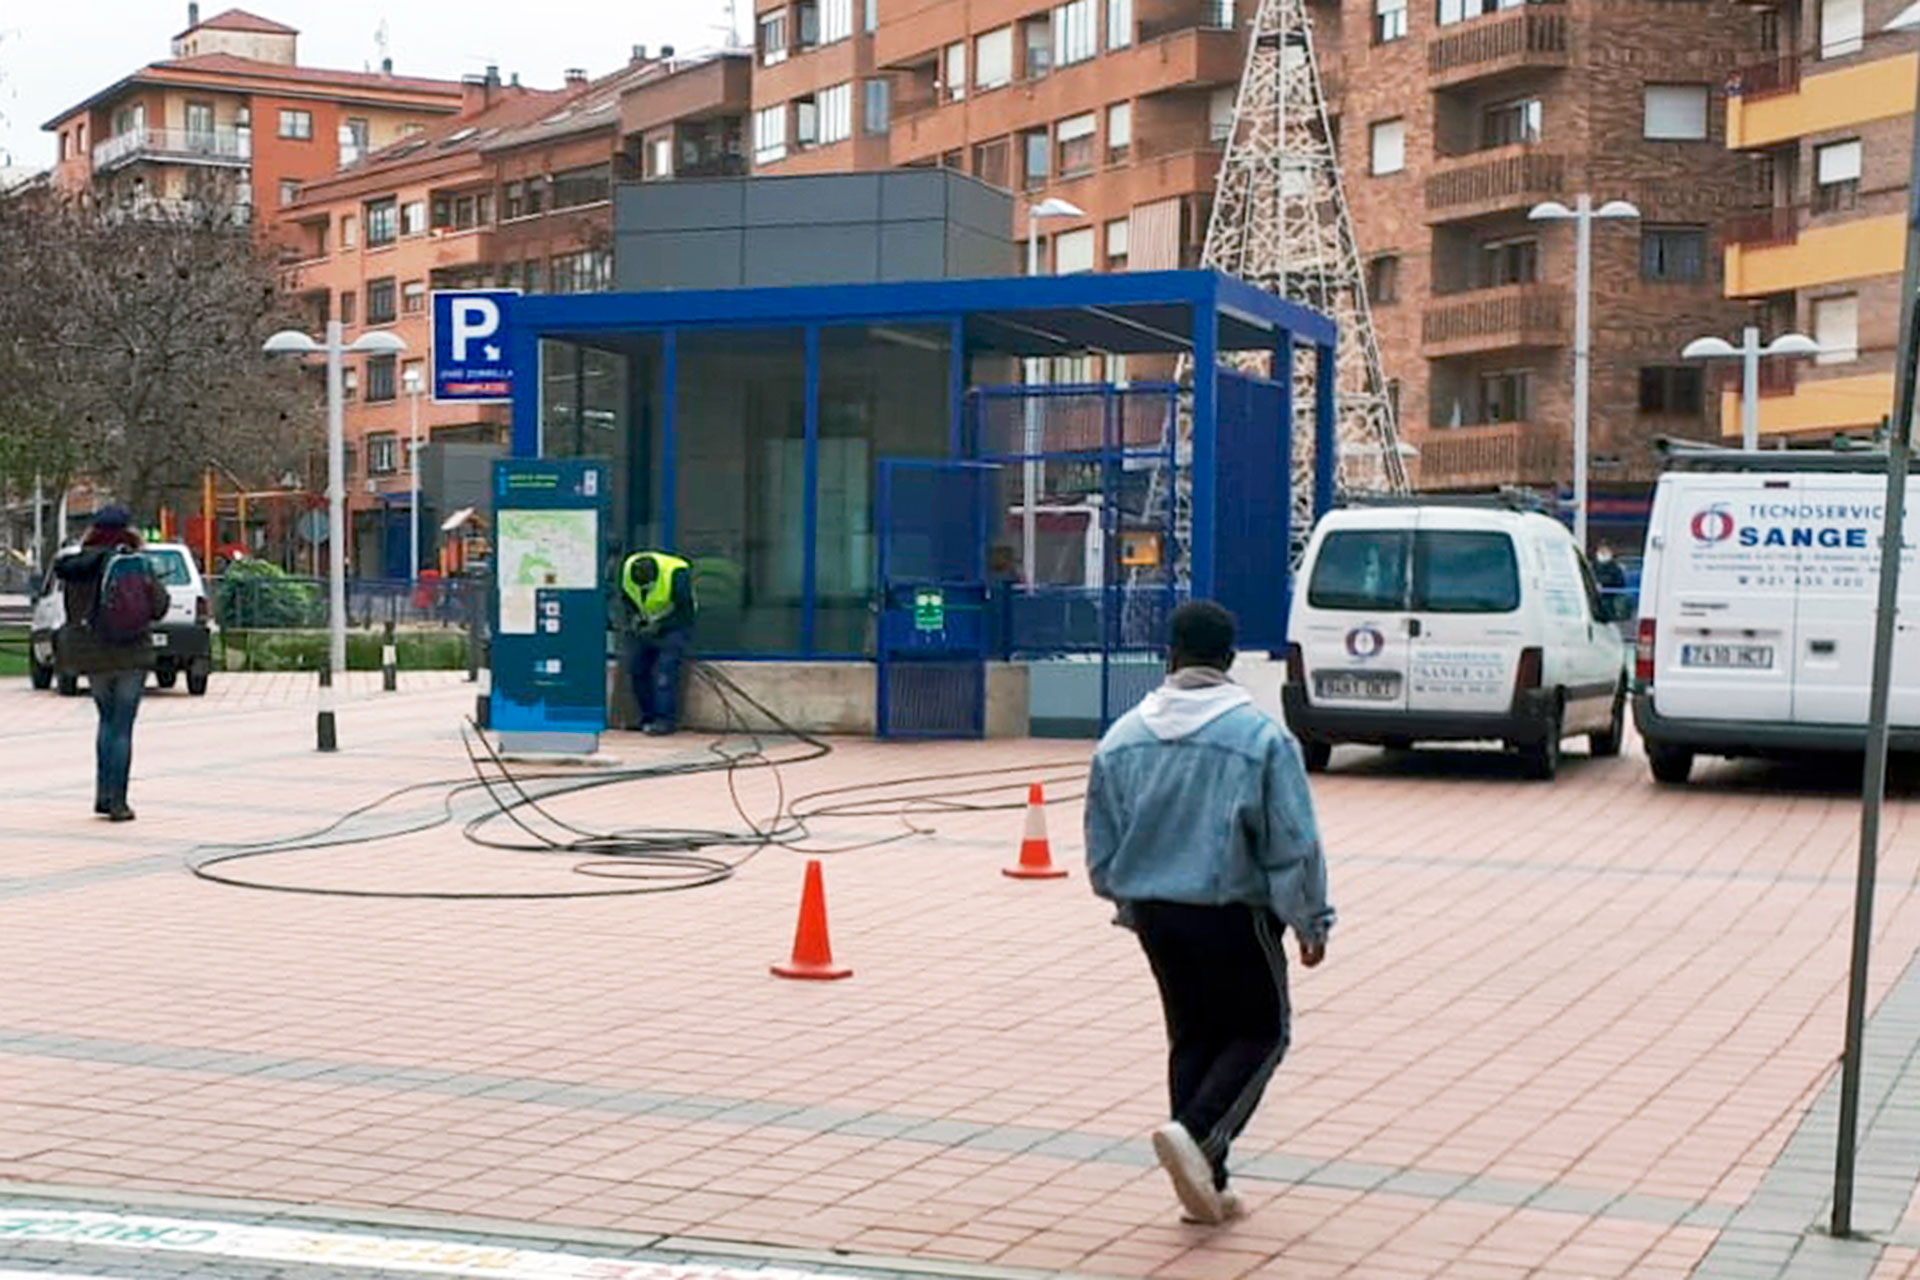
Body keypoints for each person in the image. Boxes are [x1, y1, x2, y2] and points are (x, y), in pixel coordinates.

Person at [1084, 600, 1334, 1225]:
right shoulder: (1260, 738)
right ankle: (1197, 1137)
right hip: (1232, 910)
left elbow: (1100, 842)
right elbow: (1292, 840)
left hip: (1155, 914)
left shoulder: (1123, 738)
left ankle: (1207, 1186)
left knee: (1193, 1032)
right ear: (1230, 662)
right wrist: (1310, 919)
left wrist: (1125, 895)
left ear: (1169, 656)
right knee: (1260, 1031)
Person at [53, 506, 170, 822]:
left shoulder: (79, 565)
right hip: (132, 652)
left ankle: (102, 796)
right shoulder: (137, 563)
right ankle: (119, 802)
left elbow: (71, 610)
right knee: (123, 727)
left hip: (93, 654)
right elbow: (159, 607)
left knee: (106, 722)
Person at [617, 548, 697, 735]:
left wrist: (661, 625)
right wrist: (634, 619)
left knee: (665, 671)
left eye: (648, 586)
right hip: (646, 624)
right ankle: (646, 717)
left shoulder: (676, 572)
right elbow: (626, 599)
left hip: (675, 625)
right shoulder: (628, 569)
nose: (645, 590)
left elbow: (685, 609)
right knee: (637, 668)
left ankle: (665, 720)